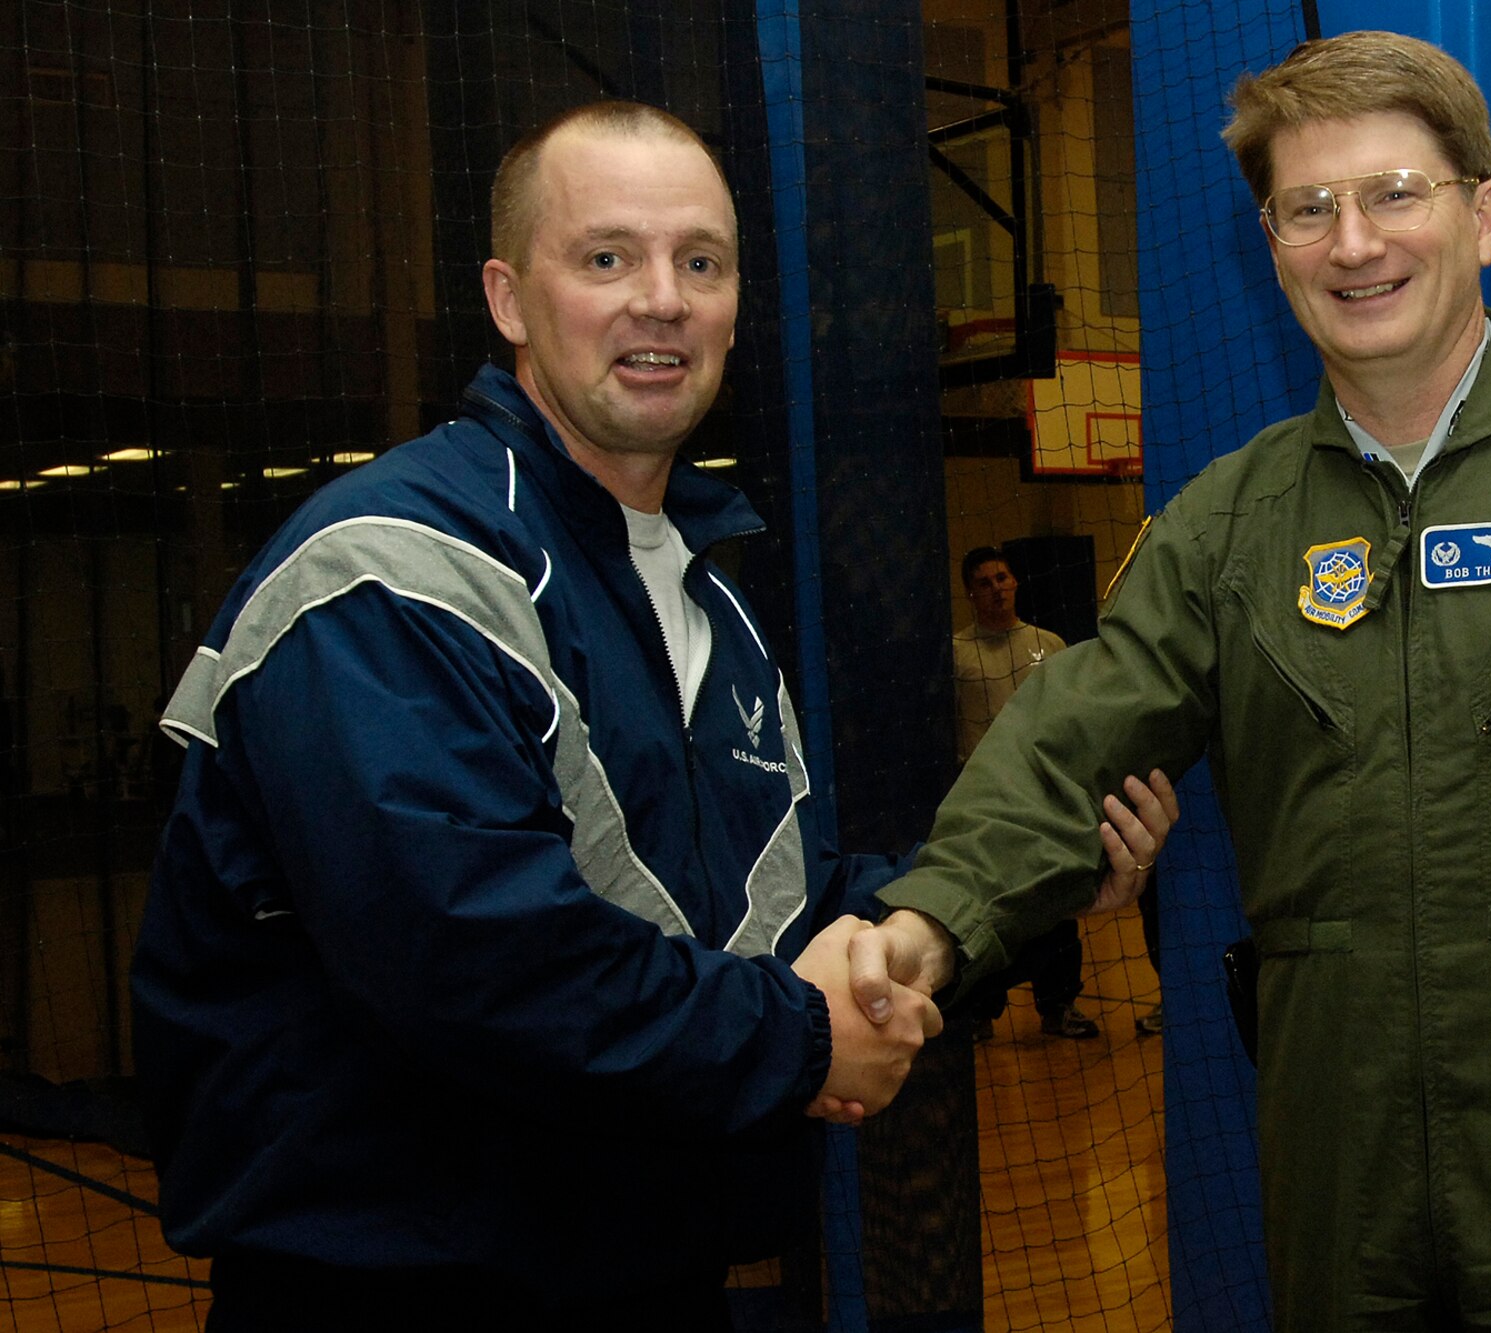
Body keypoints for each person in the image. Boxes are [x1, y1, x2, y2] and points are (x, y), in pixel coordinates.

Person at [852, 32, 1491, 1330]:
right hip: (1339, 1149)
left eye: (1395, 193)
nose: (1353, 243)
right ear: (1269, 242)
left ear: (1484, 215)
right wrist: (932, 923)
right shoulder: (1227, 526)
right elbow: (1077, 725)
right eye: (1307, 208)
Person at [129, 101, 1171, 1330]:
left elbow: (765, 909)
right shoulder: (391, 570)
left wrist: (1012, 895)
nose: (662, 299)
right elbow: (480, 962)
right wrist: (799, 1038)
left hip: (641, 1273)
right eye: (607, 257)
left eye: (701, 262)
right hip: (401, 1287)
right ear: (511, 299)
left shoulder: (702, 597)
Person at [953, 546, 1097, 1038]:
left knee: (1055, 908)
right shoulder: (956, 653)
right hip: (985, 803)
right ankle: (980, 1012)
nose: (997, 588)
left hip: (1043, 799)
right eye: (985, 582)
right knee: (986, 910)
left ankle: (1058, 1007)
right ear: (971, 593)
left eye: (1003, 577)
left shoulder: (1050, 644)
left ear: (1015, 582)